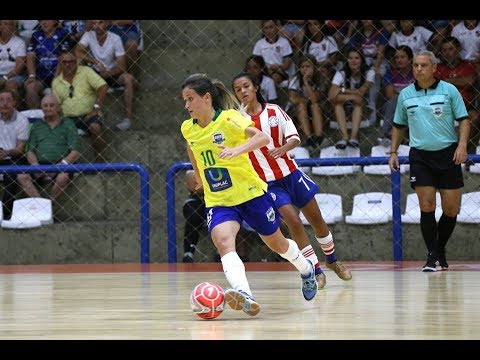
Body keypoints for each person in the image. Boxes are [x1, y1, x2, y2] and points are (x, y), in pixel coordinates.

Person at [180, 73, 318, 316]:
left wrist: (237, 150)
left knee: (278, 244)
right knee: (224, 242)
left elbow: (263, 137)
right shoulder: (187, 128)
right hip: (219, 200)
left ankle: (306, 268)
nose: (187, 105)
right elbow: (192, 148)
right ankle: (245, 294)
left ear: (207, 98)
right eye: (185, 100)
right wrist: (199, 176)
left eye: (191, 99)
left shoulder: (230, 119)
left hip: (250, 194)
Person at [232, 72, 352, 289]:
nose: (243, 91)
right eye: (238, 89)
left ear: (256, 88)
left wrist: (283, 149)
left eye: (246, 86)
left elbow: (295, 137)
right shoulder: (237, 121)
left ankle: (332, 261)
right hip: (268, 183)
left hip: (292, 174)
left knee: (317, 220)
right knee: (293, 221)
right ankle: (315, 270)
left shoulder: (274, 111)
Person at [388, 50, 470, 272]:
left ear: (434, 68)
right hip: (421, 156)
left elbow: (464, 120)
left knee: (451, 209)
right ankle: (433, 257)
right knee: (427, 205)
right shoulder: (405, 94)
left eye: (424, 65)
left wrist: (462, 146)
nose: (419, 69)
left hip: (448, 154)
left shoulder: (449, 90)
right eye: (415, 65)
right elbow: (398, 125)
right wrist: (393, 151)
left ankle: (438, 250)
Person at [182, 169, 268, 263]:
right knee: (194, 215)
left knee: (233, 216)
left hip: (224, 200)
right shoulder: (195, 166)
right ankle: (188, 253)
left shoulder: (230, 163)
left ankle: (225, 253)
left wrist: (210, 185)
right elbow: (195, 188)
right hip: (201, 201)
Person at [16, 94, 81, 202]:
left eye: (51, 105)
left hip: (61, 164)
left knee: (63, 177)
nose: (48, 108)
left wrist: (62, 164)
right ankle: (41, 204)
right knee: (21, 176)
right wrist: (35, 165)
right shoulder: (36, 126)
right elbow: (30, 151)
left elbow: (75, 152)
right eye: (45, 106)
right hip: (39, 164)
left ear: (58, 107)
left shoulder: (68, 124)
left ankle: (50, 203)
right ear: (41, 108)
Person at [52, 49, 108, 163]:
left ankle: (100, 161)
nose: (68, 64)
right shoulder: (56, 82)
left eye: (71, 61)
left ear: (77, 61)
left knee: (95, 126)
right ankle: (69, 165)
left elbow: (103, 86)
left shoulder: (86, 71)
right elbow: (57, 105)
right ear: (60, 63)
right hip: (68, 117)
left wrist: (96, 108)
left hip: (88, 114)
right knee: (57, 130)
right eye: (64, 62)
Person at [0, 89, 29, 219]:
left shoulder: (22, 120)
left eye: (8, 100)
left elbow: (20, 149)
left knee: (11, 176)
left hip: (14, 156)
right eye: (1, 100)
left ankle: (5, 214)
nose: (4, 103)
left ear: (14, 103)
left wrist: (6, 152)